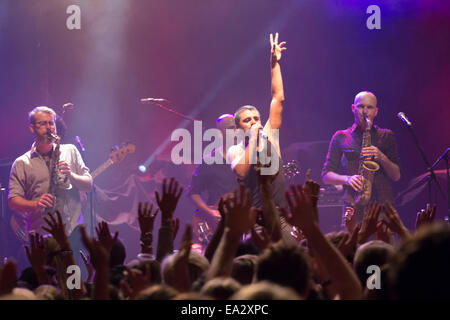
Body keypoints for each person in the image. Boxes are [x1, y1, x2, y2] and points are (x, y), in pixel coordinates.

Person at [8, 106, 92, 247]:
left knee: (75, 270)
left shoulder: (70, 150)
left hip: (73, 232)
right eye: (43, 124)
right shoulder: (21, 163)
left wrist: (70, 175)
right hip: (42, 236)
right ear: (32, 128)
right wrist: (36, 204)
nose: (49, 128)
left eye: (51, 123)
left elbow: (88, 184)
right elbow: (13, 201)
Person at [226, 32, 287, 209]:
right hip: (255, 221)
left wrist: (274, 64)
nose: (253, 122)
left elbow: (278, 98)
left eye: (256, 118)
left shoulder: (270, 136)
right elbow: (241, 171)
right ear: (238, 128)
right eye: (247, 120)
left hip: (280, 217)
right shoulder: (235, 150)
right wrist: (253, 138)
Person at [322, 91, 401, 223]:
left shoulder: (387, 136)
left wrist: (381, 156)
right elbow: (326, 176)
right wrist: (347, 179)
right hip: (352, 205)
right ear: (353, 108)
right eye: (360, 106)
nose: (365, 111)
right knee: (353, 243)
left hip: (382, 206)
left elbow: (396, 176)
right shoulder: (341, 136)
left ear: (376, 111)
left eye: (369, 107)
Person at [187, 114, 238, 244]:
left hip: (240, 222)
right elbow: (193, 192)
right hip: (218, 224)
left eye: (238, 127)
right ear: (220, 133)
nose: (237, 131)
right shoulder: (209, 161)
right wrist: (209, 212)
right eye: (231, 128)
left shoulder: (247, 159)